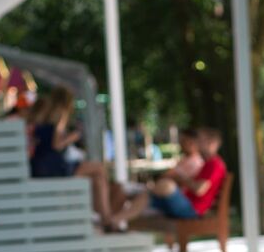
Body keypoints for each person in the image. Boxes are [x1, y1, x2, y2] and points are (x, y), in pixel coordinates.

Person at [112, 126, 227, 232]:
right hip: (185, 203)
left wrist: (180, 178)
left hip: (193, 209)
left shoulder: (215, 164)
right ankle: (113, 221)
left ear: (212, 144)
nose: (198, 143)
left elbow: (199, 189)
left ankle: (114, 220)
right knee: (147, 194)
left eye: (201, 140)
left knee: (165, 185)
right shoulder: (207, 163)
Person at [27, 85, 113, 224]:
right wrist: (74, 136)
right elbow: (57, 145)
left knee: (98, 178)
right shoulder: (61, 114)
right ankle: (106, 217)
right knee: (100, 169)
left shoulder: (43, 113)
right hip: (54, 168)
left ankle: (104, 217)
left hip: (40, 166)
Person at [146, 128, 203, 198]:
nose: (181, 144)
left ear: (192, 143)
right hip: (170, 194)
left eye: (183, 141)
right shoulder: (187, 159)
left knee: (145, 195)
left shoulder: (194, 162)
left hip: (178, 197)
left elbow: (166, 176)